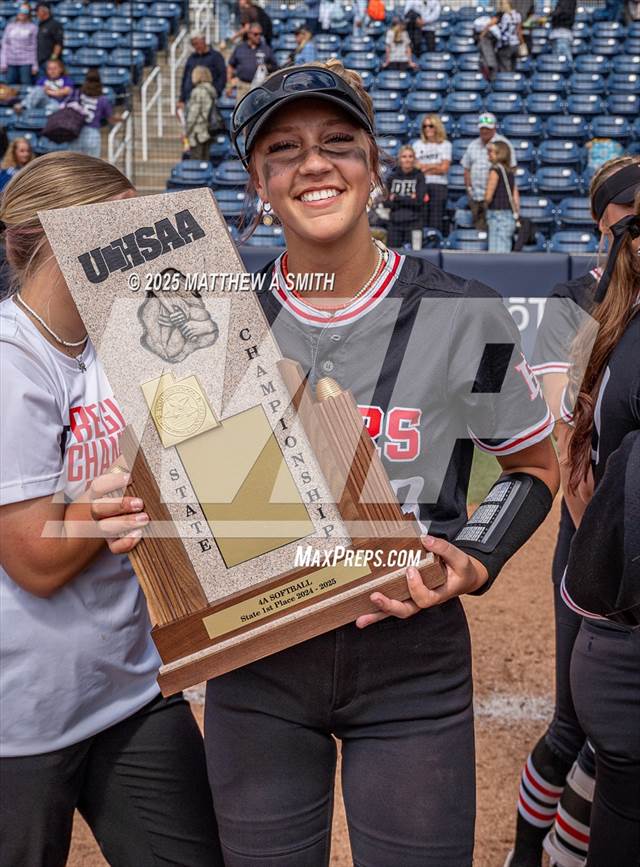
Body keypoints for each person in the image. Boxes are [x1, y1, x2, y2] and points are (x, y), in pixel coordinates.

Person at [99, 60, 560, 866]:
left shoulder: (464, 311)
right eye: (284, 149)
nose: (314, 162)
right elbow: (184, 493)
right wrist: (130, 504)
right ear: (258, 181)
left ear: (374, 165)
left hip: (412, 659)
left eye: (339, 142)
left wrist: (475, 558)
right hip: (259, 656)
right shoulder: (208, 322)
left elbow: (533, 467)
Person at [0, 151, 225, 867]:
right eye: (123, 223)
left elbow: (207, 463)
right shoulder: (13, 360)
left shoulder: (121, 340)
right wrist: (131, 488)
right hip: (21, 719)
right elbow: (34, 558)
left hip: (130, 688)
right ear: (64, 237)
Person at [504, 155, 640, 867]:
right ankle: (529, 851)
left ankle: (565, 847)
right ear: (603, 222)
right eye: (630, 216)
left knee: (612, 744)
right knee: (572, 728)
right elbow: (565, 417)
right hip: (595, 543)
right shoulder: (577, 298)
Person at [561, 161, 640, 867]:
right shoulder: (592, 309)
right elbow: (573, 459)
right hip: (606, 561)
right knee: (571, 731)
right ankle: (539, 847)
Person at [461, 112, 516, 231]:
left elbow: (511, 170)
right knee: (480, 231)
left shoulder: (503, 144)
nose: (484, 131)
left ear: (494, 127)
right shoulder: (473, 145)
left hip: (498, 201)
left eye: (487, 128)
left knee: (497, 232)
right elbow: (466, 169)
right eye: (482, 128)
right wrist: (469, 190)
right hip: (477, 197)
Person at [412, 113, 451, 234]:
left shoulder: (445, 145)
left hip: (438, 186)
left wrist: (425, 167)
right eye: (425, 126)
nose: (427, 128)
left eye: (431, 126)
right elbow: (415, 167)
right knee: (421, 217)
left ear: (437, 127)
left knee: (436, 218)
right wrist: (435, 165)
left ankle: (434, 242)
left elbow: (444, 168)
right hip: (421, 185)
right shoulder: (417, 145)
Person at [385, 144, 427, 248]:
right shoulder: (392, 177)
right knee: (392, 256)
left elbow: (419, 201)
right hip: (395, 223)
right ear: (399, 159)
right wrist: (409, 198)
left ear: (414, 159)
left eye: (410, 156)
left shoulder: (419, 176)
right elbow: (387, 203)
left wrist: (396, 198)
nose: (407, 159)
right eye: (404, 156)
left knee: (417, 255)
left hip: (415, 223)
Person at [226, 23, 277, 104]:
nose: (258, 36)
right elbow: (231, 65)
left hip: (260, 87)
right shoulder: (240, 48)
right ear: (249, 34)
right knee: (242, 113)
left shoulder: (266, 48)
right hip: (243, 86)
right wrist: (229, 85)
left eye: (260, 34)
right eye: (256, 34)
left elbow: (275, 67)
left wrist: (266, 66)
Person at [72, 68, 115, 158]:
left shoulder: (78, 93)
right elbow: (110, 119)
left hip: (77, 132)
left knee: (75, 165)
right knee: (93, 166)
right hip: (92, 134)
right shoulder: (103, 99)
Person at [177, 33, 226, 114]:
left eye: (196, 43)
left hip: (209, 98)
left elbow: (222, 76)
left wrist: (216, 91)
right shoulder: (191, 58)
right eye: (193, 44)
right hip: (191, 99)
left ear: (203, 40)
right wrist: (181, 99)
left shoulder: (216, 57)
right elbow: (185, 78)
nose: (195, 46)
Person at [485, 140, 519, 252]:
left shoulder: (495, 170)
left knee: (495, 251)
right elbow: (515, 197)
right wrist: (516, 214)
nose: (488, 154)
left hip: (496, 214)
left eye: (491, 152)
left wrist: (484, 204)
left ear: (500, 154)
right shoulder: (510, 172)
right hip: (509, 214)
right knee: (505, 249)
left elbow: (488, 196)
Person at [0, 4, 38, 87]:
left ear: (29, 13)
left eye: (25, 11)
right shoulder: (10, 26)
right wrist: (3, 62)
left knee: (26, 84)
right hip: (11, 61)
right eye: (20, 10)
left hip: (26, 62)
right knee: (9, 86)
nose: (22, 13)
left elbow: (34, 47)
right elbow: (5, 45)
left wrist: (35, 65)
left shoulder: (33, 28)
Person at [185, 65, 217, 161]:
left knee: (196, 162)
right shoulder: (211, 90)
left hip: (198, 132)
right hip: (208, 131)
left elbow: (193, 115)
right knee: (205, 161)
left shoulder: (198, 91)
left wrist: (186, 131)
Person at [496, 0, 524, 71]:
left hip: (507, 44)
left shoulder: (504, 16)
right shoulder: (518, 15)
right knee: (513, 67)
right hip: (515, 44)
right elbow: (519, 32)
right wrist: (522, 43)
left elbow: (502, 31)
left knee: (505, 68)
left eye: (502, 4)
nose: (501, 6)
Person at [35, 3, 62, 75]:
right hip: (39, 61)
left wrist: (53, 59)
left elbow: (58, 43)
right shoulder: (39, 24)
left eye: (38, 11)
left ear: (45, 11)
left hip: (48, 62)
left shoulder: (55, 24)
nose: (36, 13)